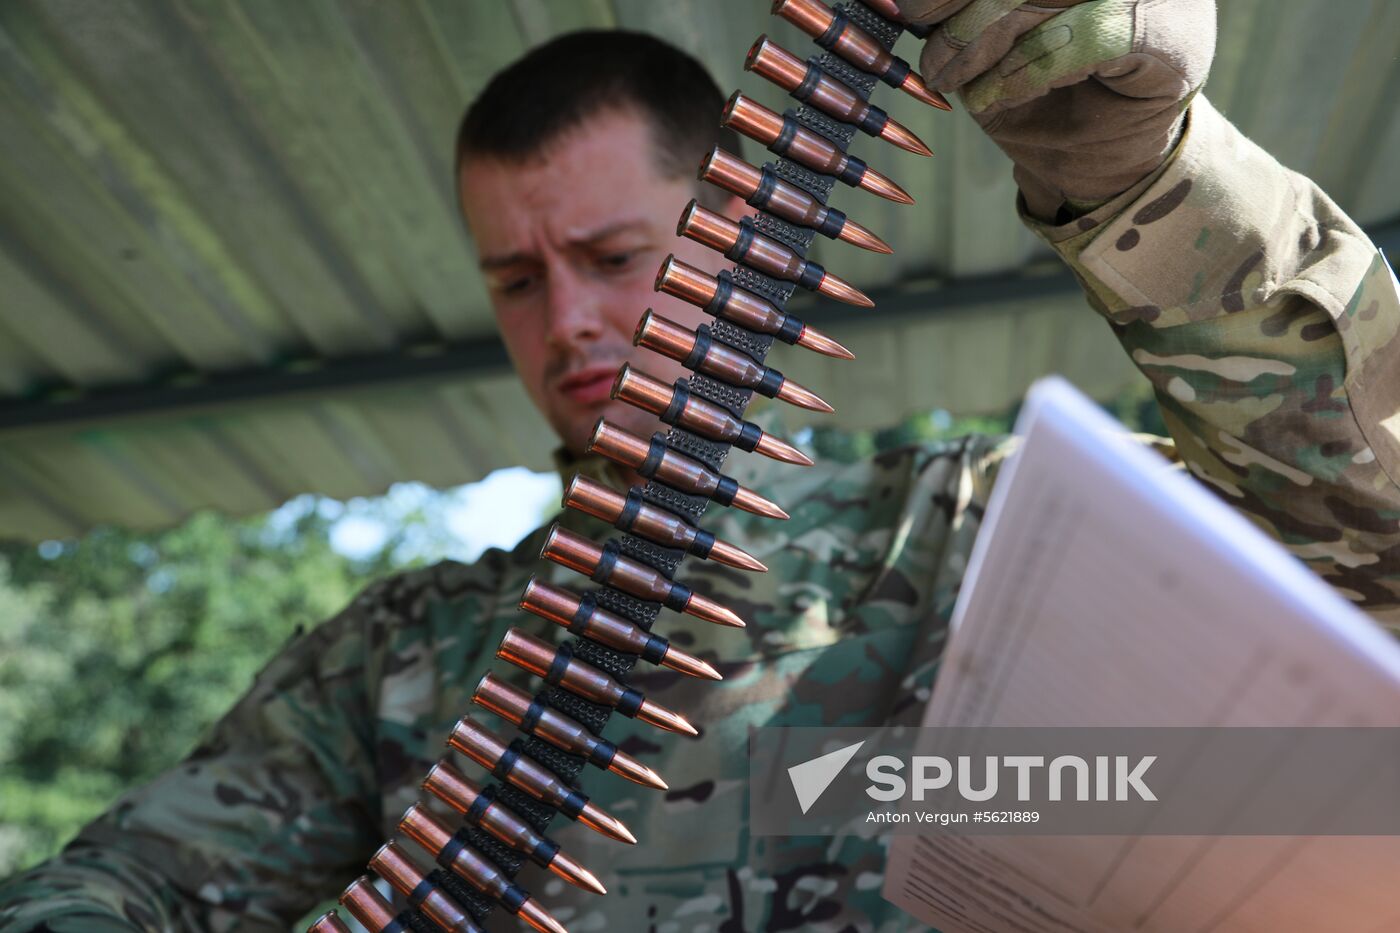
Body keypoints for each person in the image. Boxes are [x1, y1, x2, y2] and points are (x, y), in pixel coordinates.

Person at [2, 3, 1397, 930]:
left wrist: (1143, 176)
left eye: (614, 259)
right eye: (516, 280)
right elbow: (120, 888)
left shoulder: (976, 543)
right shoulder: (397, 665)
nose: (571, 322)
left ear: (740, 244)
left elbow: (1368, 539)